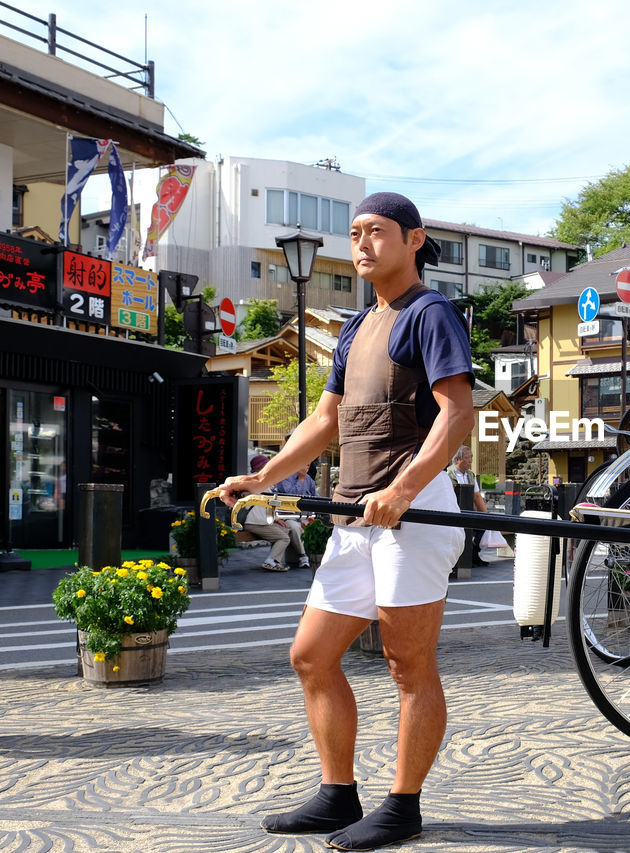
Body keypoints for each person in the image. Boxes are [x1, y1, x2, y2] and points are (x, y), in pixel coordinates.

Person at [218, 191, 474, 851]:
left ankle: (403, 805)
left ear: (414, 240)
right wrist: (263, 475)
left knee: (407, 663)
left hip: (414, 513)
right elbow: (326, 420)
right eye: (356, 233)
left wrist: (407, 485)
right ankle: (338, 793)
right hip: (354, 513)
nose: (362, 243)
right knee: (311, 654)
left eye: (377, 231)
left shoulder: (431, 313)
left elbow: (456, 415)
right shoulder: (358, 328)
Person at [241, 455, 308, 572]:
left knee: (286, 530)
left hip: (258, 520)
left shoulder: (253, 481)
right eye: (267, 465)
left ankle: (278, 560)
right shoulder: (257, 481)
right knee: (284, 538)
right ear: (261, 467)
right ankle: (271, 561)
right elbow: (268, 503)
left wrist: (276, 519)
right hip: (256, 522)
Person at [446, 445, 488, 566]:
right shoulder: (449, 474)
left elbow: (477, 496)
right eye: (467, 457)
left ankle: (474, 553)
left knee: (483, 526)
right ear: (458, 459)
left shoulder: (470, 474)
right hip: (455, 512)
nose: (470, 460)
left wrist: (486, 515)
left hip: (469, 511)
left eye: (471, 457)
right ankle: (463, 559)